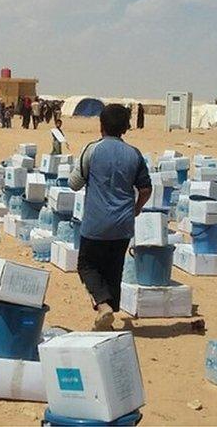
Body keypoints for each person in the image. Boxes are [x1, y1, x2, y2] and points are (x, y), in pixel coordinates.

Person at [68, 104, 152, 331]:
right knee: (114, 269)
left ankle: (103, 306)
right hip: (123, 224)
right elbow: (145, 189)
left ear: (101, 125)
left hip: (95, 223)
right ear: (125, 128)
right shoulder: (134, 154)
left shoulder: (92, 150)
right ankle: (109, 317)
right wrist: (136, 209)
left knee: (86, 266)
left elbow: (74, 184)